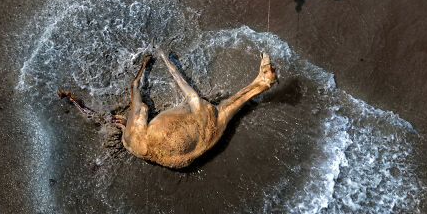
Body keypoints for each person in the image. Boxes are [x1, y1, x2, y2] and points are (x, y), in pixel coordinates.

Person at [58, 45, 277, 169]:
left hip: (202, 142)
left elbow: (117, 117)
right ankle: (262, 80)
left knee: (227, 105)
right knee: (179, 95)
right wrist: (156, 58)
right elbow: (140, 93)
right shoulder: (134, 141)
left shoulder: (132, 144)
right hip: (198, 127)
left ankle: (263, 81)